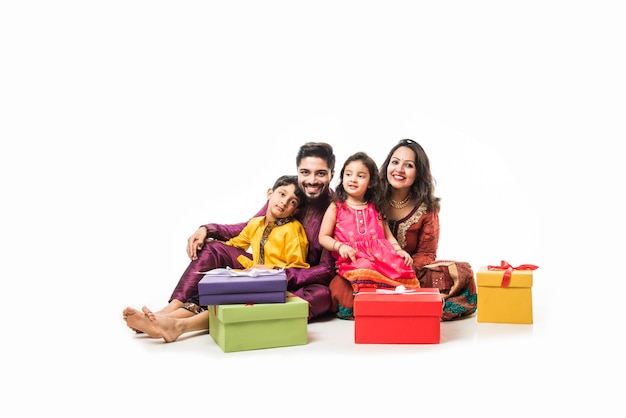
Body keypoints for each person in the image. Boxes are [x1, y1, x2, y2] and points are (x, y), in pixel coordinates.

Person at [123, 142, 337, 342]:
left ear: (331, 174)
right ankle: (164, 314)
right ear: (298, 170)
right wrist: (207, 229)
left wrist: (277, 272)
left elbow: (327, 269)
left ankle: (180, 325)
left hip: (299, 277)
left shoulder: (334, 208)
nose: (312, 180)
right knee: (212, 248)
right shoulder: (285, 193)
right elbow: (249, 227)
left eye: (320, 173)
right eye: (305, 172)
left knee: (319, 296)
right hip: (260, 266)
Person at [330, 139, 476, 321]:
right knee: (340, 287)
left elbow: (427, 253)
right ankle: (389, 301)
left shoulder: (427, 209)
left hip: (407, 269)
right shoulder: (370, 196)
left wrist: (402, 267)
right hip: (368, 267)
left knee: (460, 273)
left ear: (418, 172)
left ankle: (402, 299)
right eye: (395, 162)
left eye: (408, 165)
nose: (399, 169)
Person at [319, 151, 420, 295]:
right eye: (348, 174)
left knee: (403, 265)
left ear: (371, 182)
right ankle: (369, 300)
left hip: (383, 256)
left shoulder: (376, 207)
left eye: (360, 176)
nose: (353, 179)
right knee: (364, 268)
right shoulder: (336, 207)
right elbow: (323, 237)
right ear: (342, 178)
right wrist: (340, 247)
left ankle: (398, 298)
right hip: (354, 257)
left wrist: (399, 251)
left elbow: (388, 236)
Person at [222, 174, 310, 272]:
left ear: (294, 211)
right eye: (282, 194)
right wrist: (211, 241)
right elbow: (235, 244)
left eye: (292, 202)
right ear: (270, 193)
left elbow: (298, 268)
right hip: (254, 275)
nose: (284, 202)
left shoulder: (293, 230)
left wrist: (270, 269)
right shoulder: (255, 224)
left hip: (277, 280)